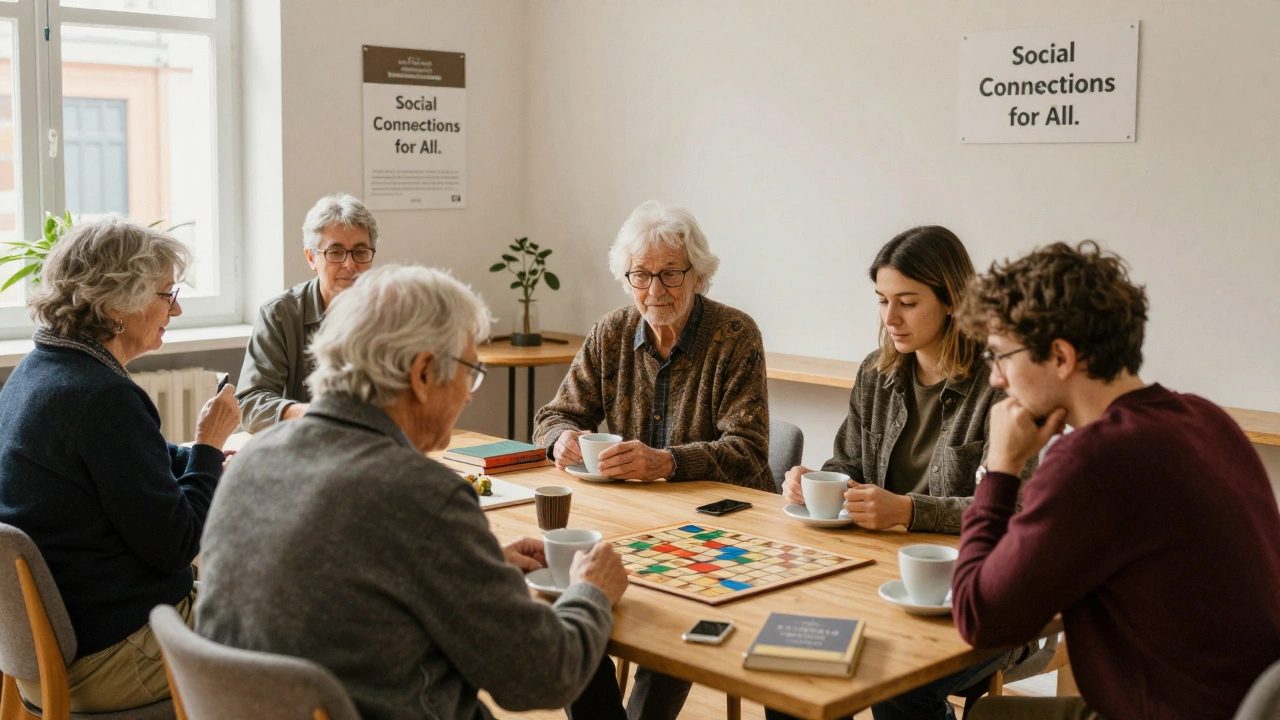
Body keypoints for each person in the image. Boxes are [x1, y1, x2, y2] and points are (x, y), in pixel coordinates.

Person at [197, 264, 631, 720]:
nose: (469, 396)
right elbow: (543, 676)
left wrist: (474, 565)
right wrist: (590, 592)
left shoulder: (251, 460)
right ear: (423, 373)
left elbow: (351, 580)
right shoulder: (423, 495)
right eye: (469, 371)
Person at [952, 241, 1280, 720]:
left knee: (987, 715)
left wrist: (999, 467)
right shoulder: (1206, 417)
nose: (997, 379)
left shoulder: (1090, 461)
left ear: (1061, 356)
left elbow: (979, 619)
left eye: (1001, 356)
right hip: (1249, 704)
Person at [770, 226, 1035, 720]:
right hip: (876, 579)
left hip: (978, 592)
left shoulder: (999, 385)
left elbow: (1013, 510)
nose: (890, 318)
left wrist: (908, 511)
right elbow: (846, 465)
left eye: (908, 302)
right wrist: (816, 485)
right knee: (793, 669)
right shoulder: (877, 373)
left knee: (899, 689)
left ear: (953, 300)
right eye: (882, 300)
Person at [533, 200, 771, 720]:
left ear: (699, 276)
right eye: (641, 275)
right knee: (571, 596)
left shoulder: (735, 336)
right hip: (631, 525)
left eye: (670, 275)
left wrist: (665, 462)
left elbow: (749, 452)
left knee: (674, 619)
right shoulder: (612, 332)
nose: (655, 291)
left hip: (723, 533)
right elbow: (553, 415)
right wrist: (563, 441)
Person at [0, 217, 239, 712]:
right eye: (166, 295)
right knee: (288, 622)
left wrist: (196, 456)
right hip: (112, 658)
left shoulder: (38, 371)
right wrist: (210, 448)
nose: (176, 308)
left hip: (45, 653)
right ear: (116, 305)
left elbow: (122, 462)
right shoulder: (104, 398)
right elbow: (177, 545)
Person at [237, 192, 379, 432]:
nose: (350, 264)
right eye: (335, 252)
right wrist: (316, 415)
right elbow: (250, 404)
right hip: (299, 445)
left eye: (360, 252)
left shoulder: (391, 313)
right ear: (311, 257)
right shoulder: (280, 314)